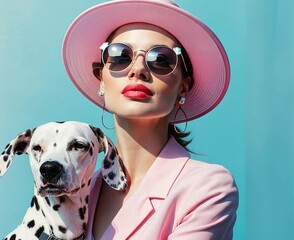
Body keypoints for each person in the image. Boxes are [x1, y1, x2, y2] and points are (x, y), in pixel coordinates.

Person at [62, 0, 238, 239]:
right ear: (101, 79)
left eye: (161, 59)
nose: (138, 69)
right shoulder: (75, 192)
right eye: (120, 55)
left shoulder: (208, 187)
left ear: (183, 87)